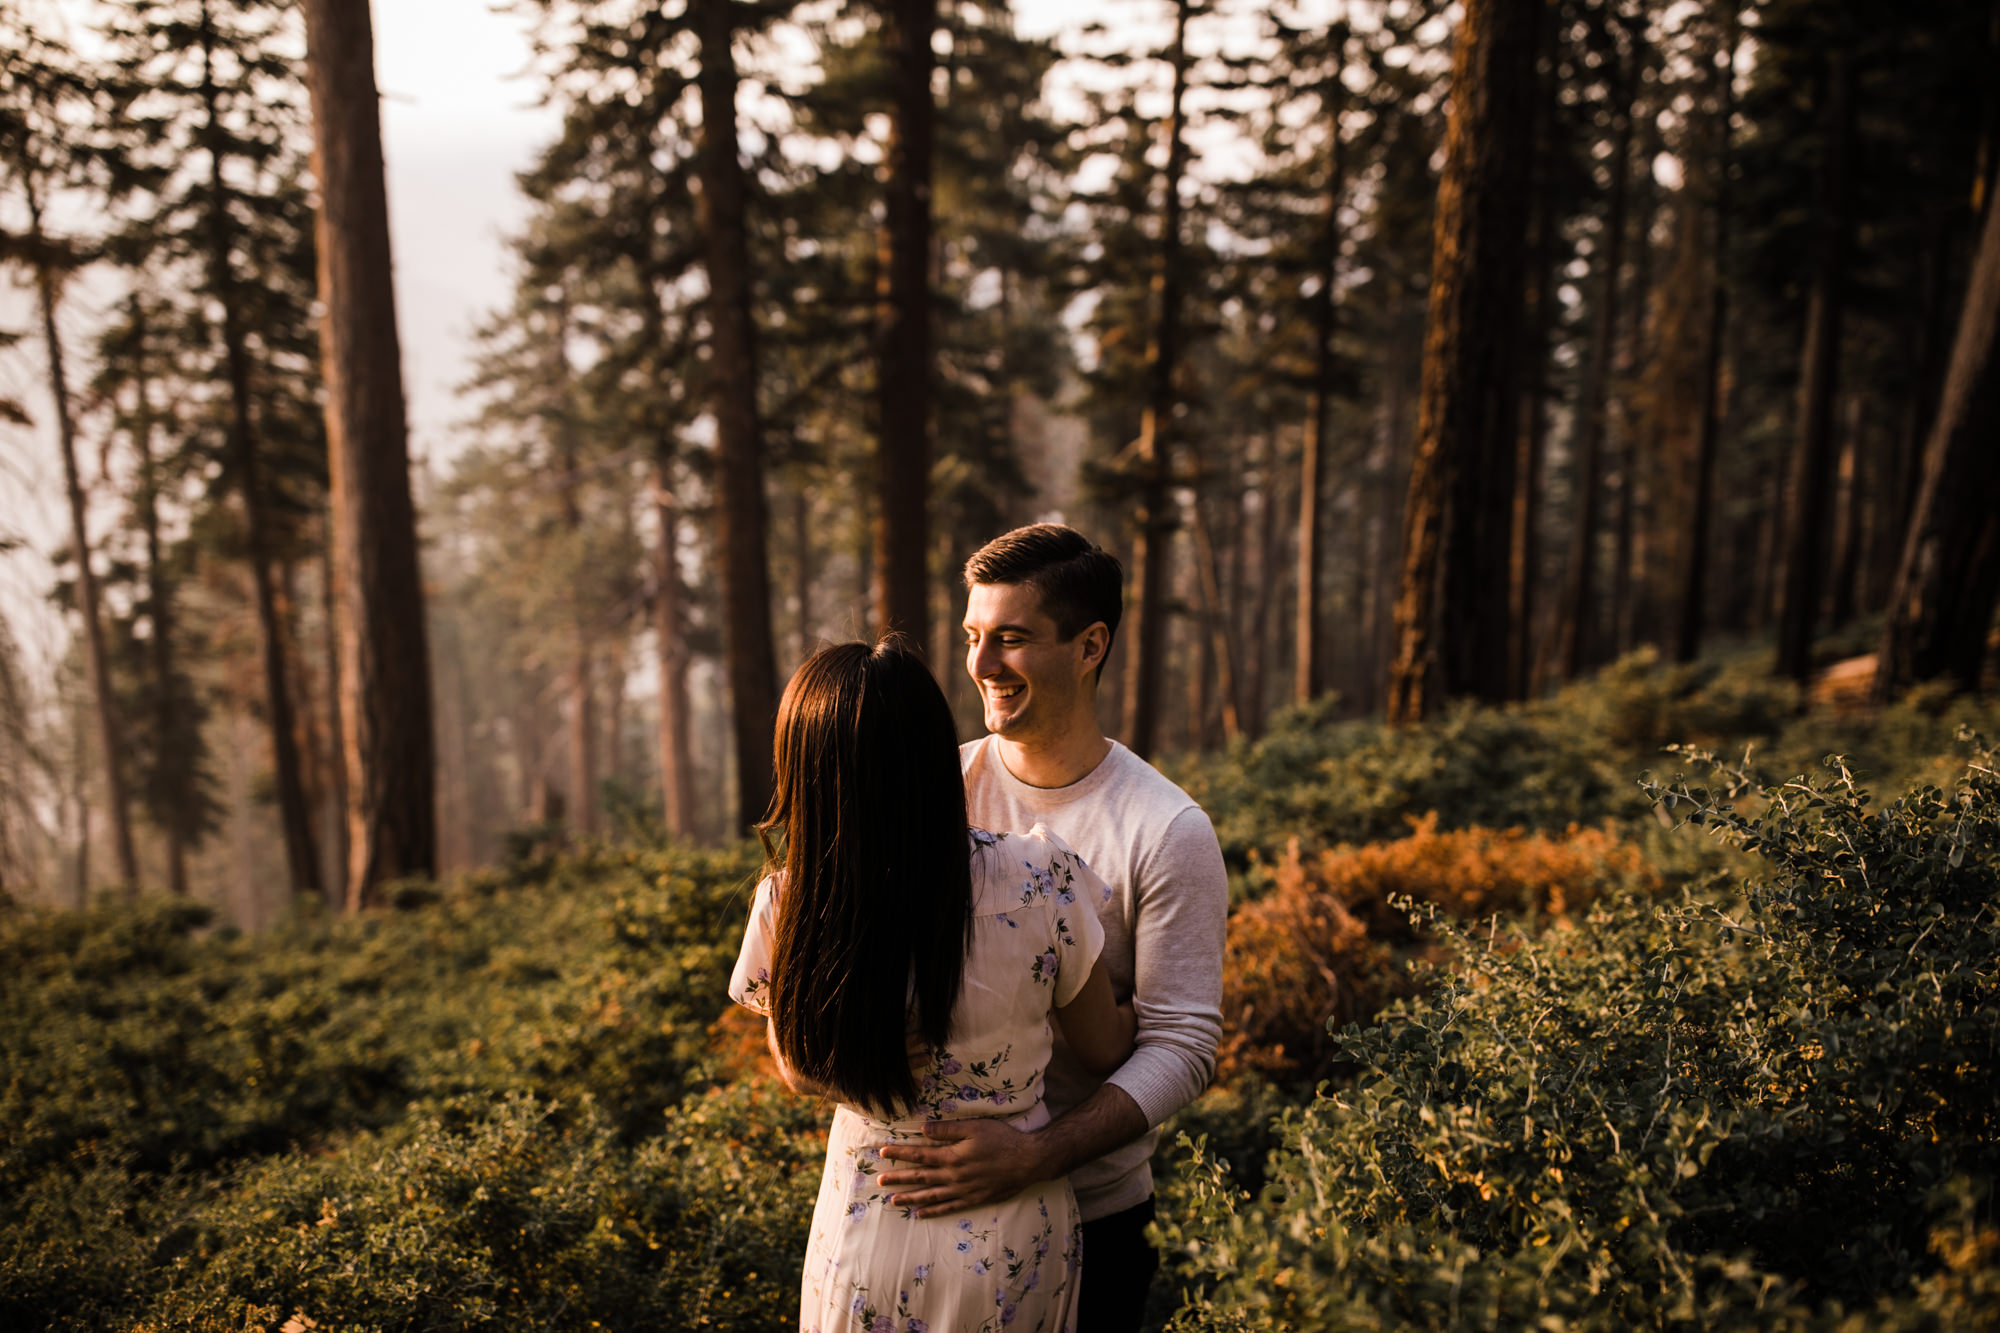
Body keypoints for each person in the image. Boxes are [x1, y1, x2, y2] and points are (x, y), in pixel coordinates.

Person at [876, 525, 1229, 1332]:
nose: (981, 665)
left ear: (1089, 644)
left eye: (1012, 638)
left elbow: (1183, 1043)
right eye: (972, 637)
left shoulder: (1165, 828)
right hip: (918, 1208)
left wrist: (1037, 1154)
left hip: (1094, 1213)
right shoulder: (936, 787)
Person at [728, 637, 1138, 1332]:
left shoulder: (789, 904)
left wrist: (856, 1063)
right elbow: (1104, 1048)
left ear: (807, 776)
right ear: (933, 756)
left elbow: (797, 1067)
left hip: (864, 1230)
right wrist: (1152, 1005)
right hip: (1011, 1229)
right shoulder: (1042, 879)